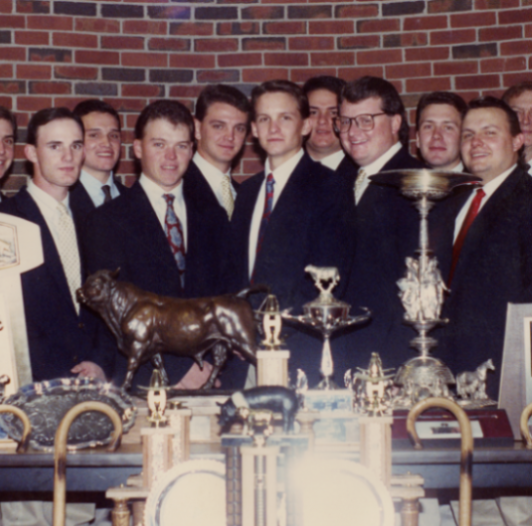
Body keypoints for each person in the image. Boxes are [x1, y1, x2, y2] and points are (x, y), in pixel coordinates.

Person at [0, 107, 102, 526]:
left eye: (76, 145)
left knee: (76, 522)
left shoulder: (96, 217)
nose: (69, 157)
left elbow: (109, 305)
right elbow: (0, 314)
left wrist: (99, 360)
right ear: (31, 153)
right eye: (55, 146)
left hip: (88, 391)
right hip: (29, 392)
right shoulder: (5, 219)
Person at [84, 100, 238, 389]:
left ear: (192, 150)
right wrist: (179, 370)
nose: (171, 157)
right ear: (138, 148)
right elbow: (114, 315)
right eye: (159, 144)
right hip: (146, 380)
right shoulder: (106, 221)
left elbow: (227, 299)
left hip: (213, 377)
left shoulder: (214, 217)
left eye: (181, 146)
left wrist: (211, 367)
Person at [436, 96, 532, 394]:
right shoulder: (447, 204)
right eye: (468, 135)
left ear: (517, 141)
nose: (476, 142)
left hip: (500, 379)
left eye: (489, 132)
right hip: (444, 375)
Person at [231, 80, 354, 385]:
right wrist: (234, 330)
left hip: (298, 352)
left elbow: (325, 279)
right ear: (254, 129)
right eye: (264, 119)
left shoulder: (330, 187)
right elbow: (236, 274)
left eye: (285, 117)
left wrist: (264, 333)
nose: (273, 128)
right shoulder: (247, 193)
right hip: (240, 356)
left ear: (305, 125)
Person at [334, 76, 424, 371]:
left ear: (395, 122)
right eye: (345, 121)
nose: (353, 131)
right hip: (339, 350)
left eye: (366, 120)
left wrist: (396, 365)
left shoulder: (416, 183)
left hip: (386, 356)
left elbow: (415, 287)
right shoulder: (339, 180)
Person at [184, 84, 251, 221]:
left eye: (239, 128)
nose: (230, 137)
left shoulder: (248, 197)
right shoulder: (176, 187)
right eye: (219, 126)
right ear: (197, 128)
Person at [70, 99, 127, 218]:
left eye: (113, 135)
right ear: (76, 143)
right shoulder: (62, 199)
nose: (107, 143)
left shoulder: (135, 200)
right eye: (94, 135)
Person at [303, 75, 347, 170]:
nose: (322, 120)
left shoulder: (367, 173)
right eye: (313, 112)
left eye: (333, 113)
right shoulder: (282, 172)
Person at [415, 91, 467, 172]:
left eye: (448, 128)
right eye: (428, 126)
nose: (436, 135)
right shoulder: (402, 180)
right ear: (418, 138)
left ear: (463, 137)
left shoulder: (480, 180)